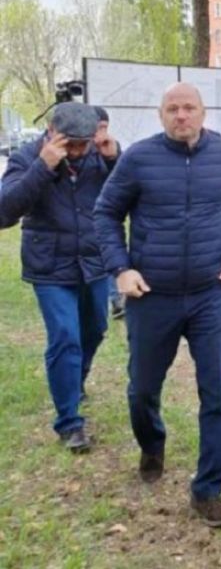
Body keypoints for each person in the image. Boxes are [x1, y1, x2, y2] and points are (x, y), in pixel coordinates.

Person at [93, 83, 221, 528]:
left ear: (203, 113)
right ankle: (152, 443)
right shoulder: (138, 159)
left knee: (217, 394)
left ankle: (209, 490)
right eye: (172, 108)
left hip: (210, 294)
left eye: (189, 108)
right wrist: (120, 269)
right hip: (152, 295)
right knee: (142, 388)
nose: (181, 115)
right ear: (161, 115)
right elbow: (105, 213)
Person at [0, 102, 120, 453]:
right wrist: (43, 167)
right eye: (72, 144)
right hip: (50, 266)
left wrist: (115, 160)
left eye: (85, 143)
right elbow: (5, 212)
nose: (79, 151)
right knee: (65, 336)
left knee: (95, 330)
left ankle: (73, 381)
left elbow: (130, 195)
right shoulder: (26, 157)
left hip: (93, 261)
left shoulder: (99, 155)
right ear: (52, 132)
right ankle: (69, 422)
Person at [93, 106, 126, 321]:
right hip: (86, 217)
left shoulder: (111, 148)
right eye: (98, 127)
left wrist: (113, 157)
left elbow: (122, 181)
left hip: (106, 215)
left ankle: (116, 298)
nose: (102, 132)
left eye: (105, 127)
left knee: (110, 254)